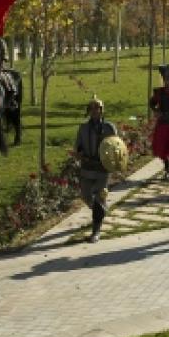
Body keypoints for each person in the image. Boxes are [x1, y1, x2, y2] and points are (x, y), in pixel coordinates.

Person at [75, 96, 118, 243]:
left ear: (101, 110)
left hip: (102, 168)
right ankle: (100, 212)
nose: (94, 111)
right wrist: (79, 152)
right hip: (87, 167)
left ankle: (96, 231)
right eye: (92, 108)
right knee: (86, 196)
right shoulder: (83, 128)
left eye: (97, 108)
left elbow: (116, 146)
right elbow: (79, 145)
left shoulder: (109, 128)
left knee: (99, 198)